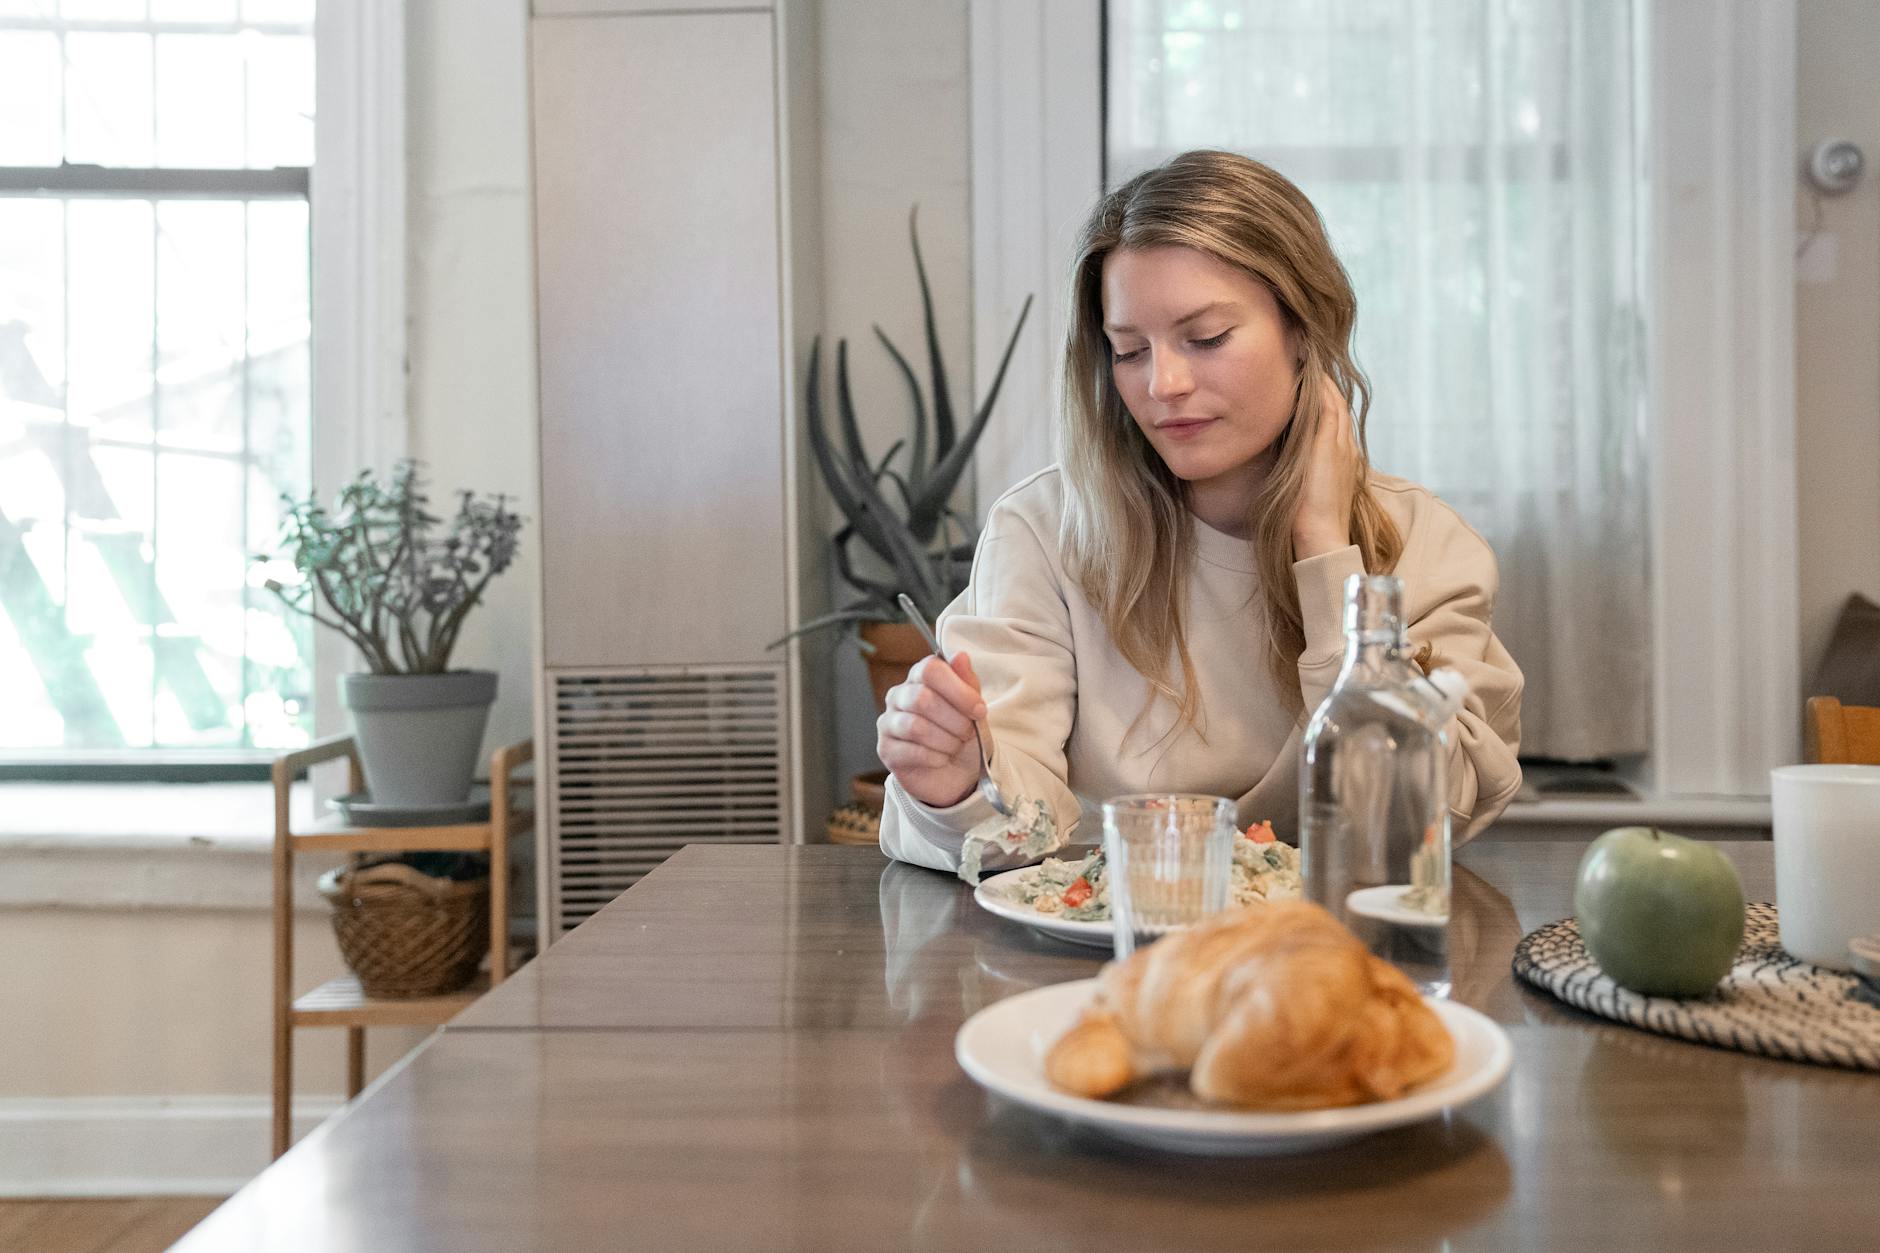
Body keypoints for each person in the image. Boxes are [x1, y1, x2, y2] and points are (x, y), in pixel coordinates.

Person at [875, 149, 1523, 876]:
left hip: (1333, 954)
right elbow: (1013, 834)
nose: (1164, 383)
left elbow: (1414, 823)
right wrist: (960, 784)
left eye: (1206, 339)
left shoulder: (1423, 543)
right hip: (1103, 956)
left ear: (1304, 331)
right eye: (1128, 350)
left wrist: (1323, 551)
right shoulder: (1045, 532)